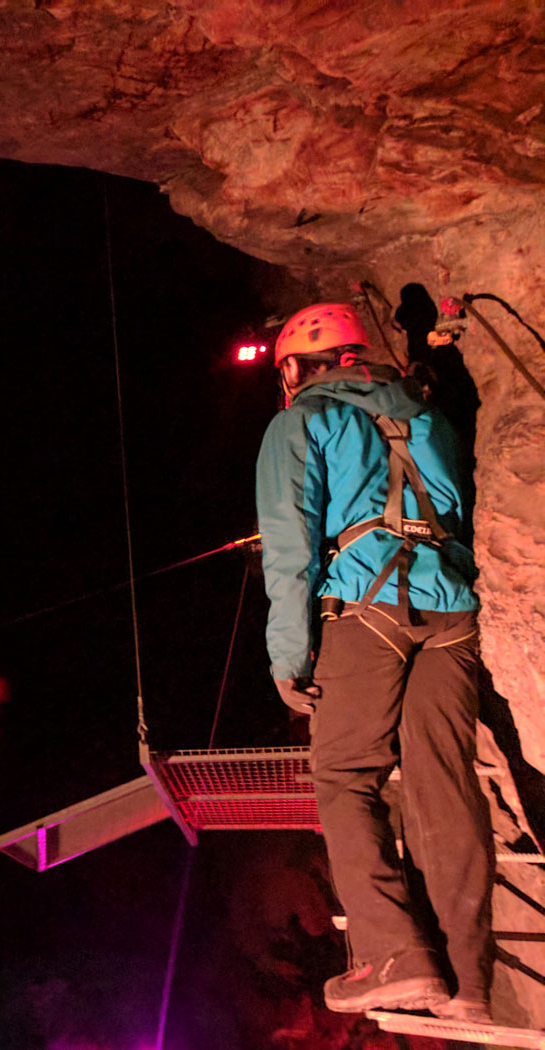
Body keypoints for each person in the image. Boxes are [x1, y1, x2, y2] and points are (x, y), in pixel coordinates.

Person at [254, 302, 493, 1024]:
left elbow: (290, 548)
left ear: (296, 368)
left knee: (343, 775)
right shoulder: (429, 417)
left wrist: (289, 656)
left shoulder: (297, 423)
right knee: (444, 787)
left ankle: (395, 956)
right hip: (450, 610)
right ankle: (470, 983)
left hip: (368, 604)